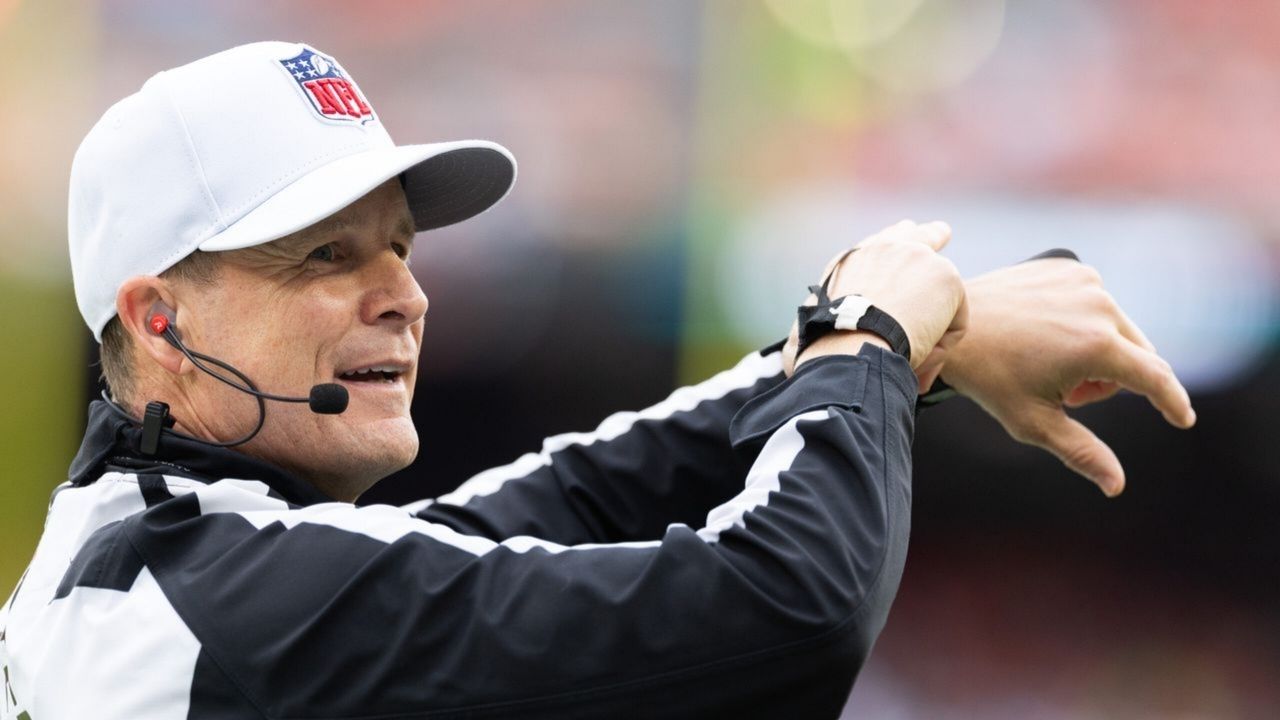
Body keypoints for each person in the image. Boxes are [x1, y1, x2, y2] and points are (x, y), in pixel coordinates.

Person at [0, 42, 1194, 720]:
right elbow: (787, 608)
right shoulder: (234, 601)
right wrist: (870, 331)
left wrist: (904, 346)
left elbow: (546, 506)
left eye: (399, 250)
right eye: (323, 256)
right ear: (159, 319)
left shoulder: (156, 559)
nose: (404, 297)